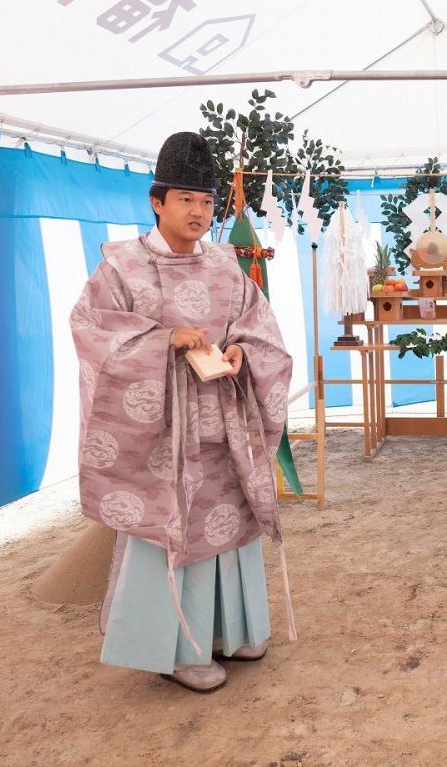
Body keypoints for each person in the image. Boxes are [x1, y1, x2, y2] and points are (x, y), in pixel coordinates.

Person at [72, 131, 294, 693]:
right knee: (176, 527)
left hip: (225, 422)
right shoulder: (122, 269)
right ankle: (178, 649)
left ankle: (236, 629)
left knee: (231, 521)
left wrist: (243, 350)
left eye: (205, 201)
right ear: (157, 201)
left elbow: (258, 326)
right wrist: (164, 341)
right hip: (161, 433)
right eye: (185, 199)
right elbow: (93, 332)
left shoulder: (224, 264)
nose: (198, 212)